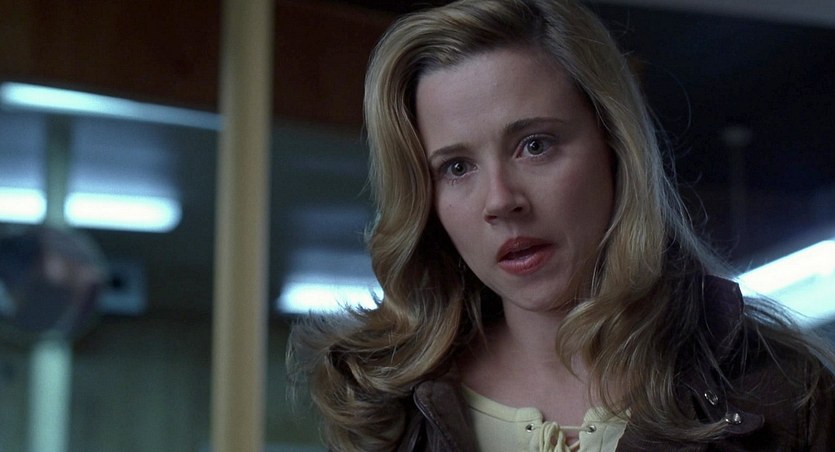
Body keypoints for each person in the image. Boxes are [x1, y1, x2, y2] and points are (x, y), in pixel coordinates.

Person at [288, 0, 835, 450]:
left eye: (535, 145)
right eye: (456, 168)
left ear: (614, 147)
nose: (501, 201)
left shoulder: (785, 393)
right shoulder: (386, 415)